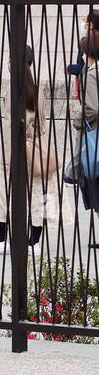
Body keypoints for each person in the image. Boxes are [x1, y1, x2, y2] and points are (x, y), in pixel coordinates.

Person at [0, 46, 58, 253]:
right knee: (37, 193)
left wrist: (7, 159)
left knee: (3, 192)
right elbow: (42, 123)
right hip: (35, 149)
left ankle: (0, 239)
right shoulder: (36, 88)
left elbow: (9, 127)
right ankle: (34, 242)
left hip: (16, 150)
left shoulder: (13, 89)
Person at [73, 31, 99, 248]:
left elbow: (91, 108)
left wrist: (77, 118)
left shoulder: (92, 73)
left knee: (94, 184)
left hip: (95, 136)